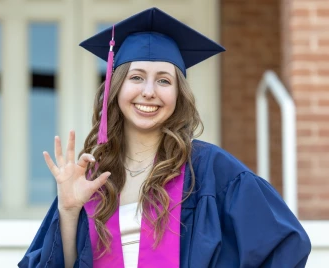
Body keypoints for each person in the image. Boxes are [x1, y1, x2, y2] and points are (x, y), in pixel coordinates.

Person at [18, 7, 311, 268]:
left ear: (178, 93)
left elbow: (284, 244)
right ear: (116, 88)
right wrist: (69, 210)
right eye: (136, 77)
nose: (149, 91)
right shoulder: (95, 177)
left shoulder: (210, 169)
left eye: (163, 80)